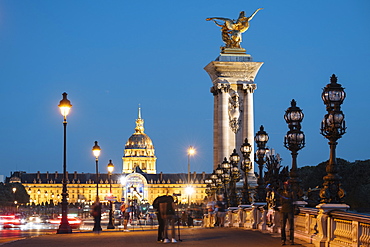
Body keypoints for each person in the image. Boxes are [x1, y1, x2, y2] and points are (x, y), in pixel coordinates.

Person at [280, 181, 295, 245]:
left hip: (290, 211)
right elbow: (281, 201)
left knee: (291, 226)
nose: (286, 186)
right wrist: (288, 200)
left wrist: (286, 200)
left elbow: (293, 200)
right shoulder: (282, 193)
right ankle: (283, 239)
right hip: (283, 211)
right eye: (285, 185)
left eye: (287, 185)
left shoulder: (292, 193)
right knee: (282, 226)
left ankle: (291, 239)